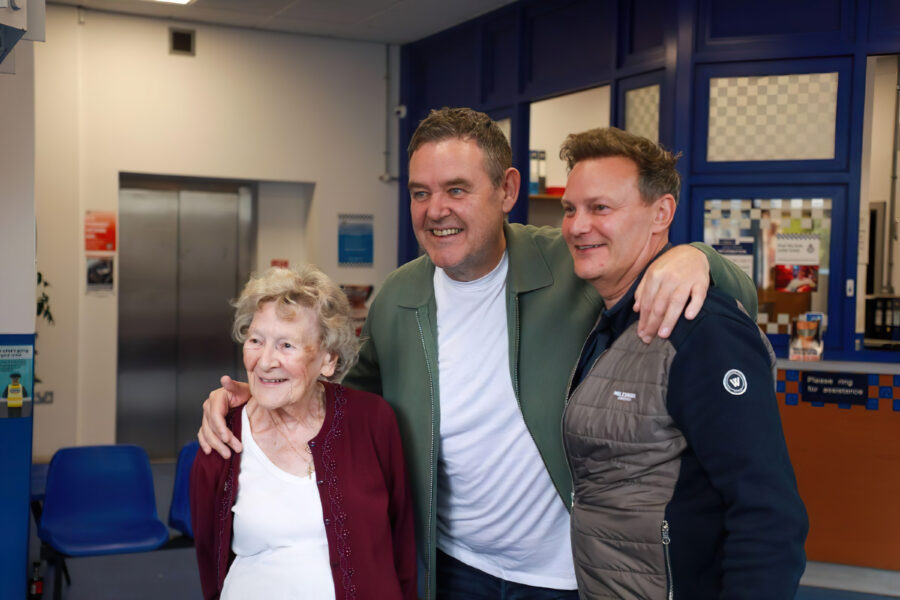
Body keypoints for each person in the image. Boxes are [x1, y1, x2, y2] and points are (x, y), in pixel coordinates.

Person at [198, 108, 757, 598]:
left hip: (566, 571)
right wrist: (259, 396)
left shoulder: (572, 264)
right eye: (421, 193)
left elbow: (728, 295)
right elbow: (342, 398)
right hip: (453, 567)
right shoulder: (399, 296)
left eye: (457, 190)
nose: (435, 209)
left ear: (508, 190)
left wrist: (696, 257)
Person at [559, 127, 808, 598]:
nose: (576, 225)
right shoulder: (609, 319)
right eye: (570, 209)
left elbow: (767, 513)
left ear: (661, 214)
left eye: (600, 208)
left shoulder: (703, 331)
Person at [190, 266, 416, 600]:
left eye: (286, 345)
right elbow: (210, 560)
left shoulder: (372, 420)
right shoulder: (222, 436)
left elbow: (402, 543)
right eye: (256, 340)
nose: (265, 361)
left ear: (327, 360)